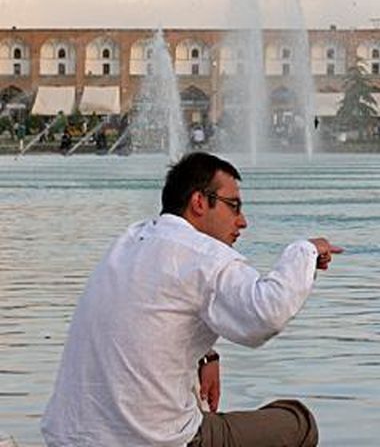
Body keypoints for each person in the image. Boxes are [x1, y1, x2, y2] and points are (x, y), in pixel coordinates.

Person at [42, 152, 342, 447]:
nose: (243, 221)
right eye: (233, 206)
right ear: (199, 202)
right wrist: (304, 251)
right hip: (151, 440)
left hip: (68, 436)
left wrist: (207, 355)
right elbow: (265, 315)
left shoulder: (129, 242)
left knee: (193, 399)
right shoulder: (206, 257)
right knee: (297, 422)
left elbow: (155, 314)